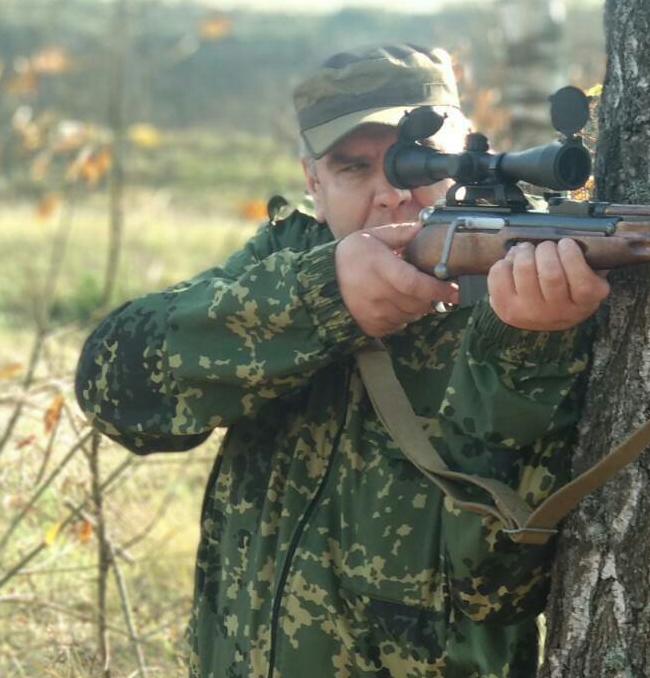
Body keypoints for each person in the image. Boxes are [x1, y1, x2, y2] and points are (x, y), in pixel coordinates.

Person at [74, 43, 610, 677]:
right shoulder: (289, 260)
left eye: (420, 161)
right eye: (354, 168)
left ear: (466, 153)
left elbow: (497, 590)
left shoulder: (535, 290)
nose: (391, 193)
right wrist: (320, 301)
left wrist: (525, 349)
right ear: (314, 185)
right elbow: (116, 393)